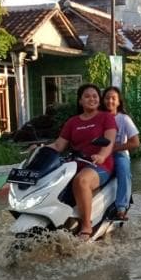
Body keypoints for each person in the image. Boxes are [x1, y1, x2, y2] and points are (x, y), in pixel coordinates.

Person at [44, 84, 117, 239]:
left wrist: (102, 155)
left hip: (100, 165)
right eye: (87, 96)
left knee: (81, 181)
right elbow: (58, 145)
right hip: (74, 165)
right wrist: (40, 149)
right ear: (80, 101)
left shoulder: (106, 117)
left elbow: (109, 141)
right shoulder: (72, 122)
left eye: (95, 96)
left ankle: (86, 226)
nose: (92, 99)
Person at [102, 86, 140, 220]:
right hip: (99, 153)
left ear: (119, 102)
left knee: (124, 171)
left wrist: (114, 148)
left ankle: (121, 208)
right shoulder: (98, 117)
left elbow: (135, 142)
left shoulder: (124, 119)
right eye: (107, 98)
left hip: (119, 153)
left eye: (113, 98)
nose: (110, 101)